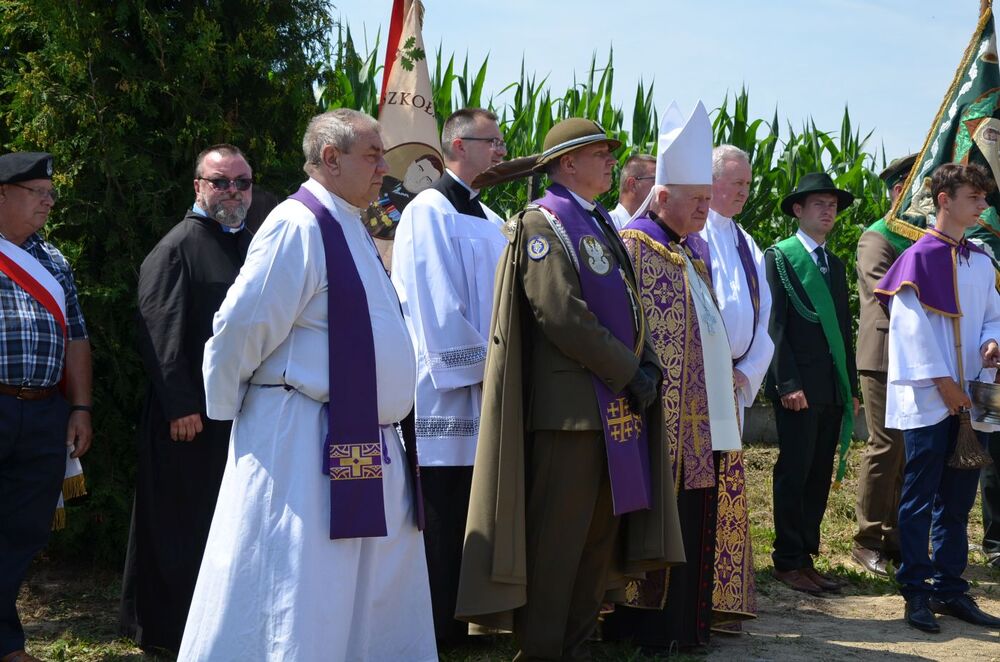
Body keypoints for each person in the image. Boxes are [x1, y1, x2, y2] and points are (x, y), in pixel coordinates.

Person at [177, 109, 437, 661]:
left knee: (364, 588)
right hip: (302, 442)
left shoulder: (352, 224)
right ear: (330, 158)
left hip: (365, 438)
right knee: (304, 584)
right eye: (372, 155)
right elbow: (241, 326)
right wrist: (235, 412)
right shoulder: (299, 224)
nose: (383, 169)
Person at [455, 118, 683, 661]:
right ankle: (540, 651)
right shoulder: (543, 222)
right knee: (557, 546)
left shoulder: (597, 220)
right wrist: (630, 371)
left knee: (595, 545)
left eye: (609, 153)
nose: (611, 161)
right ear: (567, 163)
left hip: (612, 413)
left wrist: (645, 363)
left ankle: (576, 648)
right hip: (570, 416)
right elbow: (560, 314)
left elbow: (631, 308)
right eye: (599, 153)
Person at [602, 101, 742, 650]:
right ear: (661, 196)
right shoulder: (632, 249)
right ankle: (641, 627)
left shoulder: (693, 254)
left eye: (709, 199)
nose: (706, 209)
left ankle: (686, 624)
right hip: (654, 417)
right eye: (697, 200)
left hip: (700, 419)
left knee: (692, 511)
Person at [119, 144, 258, 653]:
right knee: (178, 522)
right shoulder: (176, 247)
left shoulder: (250, 242)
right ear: (198, 185)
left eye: (242, 183)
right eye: (220, 182)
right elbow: (161, 332)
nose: (233, 192)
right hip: (186, 418)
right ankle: (166, 631)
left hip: (232, 414)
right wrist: (181, 405)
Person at [390, 107, 507, 645]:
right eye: (493, 142)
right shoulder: (427, 210)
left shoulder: (491, 216)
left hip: (488, 386)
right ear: (459, 145)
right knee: (441, 503)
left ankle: (470, 614)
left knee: (474, 503)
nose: (502, 152)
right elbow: (434, 303)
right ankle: (436, 627)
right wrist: (485, 368)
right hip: (445, 392)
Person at [875, 162, 1000, 633]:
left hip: (975, 394)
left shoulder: (982, 260)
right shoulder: (918, 259)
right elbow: (910, 332)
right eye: (975, 196)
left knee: (960, 494)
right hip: (932, 397)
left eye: (984, 197)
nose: (984, 204)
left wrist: (992, 340)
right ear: (944, 200)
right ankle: (916, 591)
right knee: (920, 493)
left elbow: (993, 314)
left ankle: (951, 587)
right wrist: (944, 384)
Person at [0, 152, 92, 662]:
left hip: (41, 413)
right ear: (3, 193)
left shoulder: (52, 260)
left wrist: (81, 407)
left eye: (50, 193)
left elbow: (76, 336)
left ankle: (5, 641)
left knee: (25, 530)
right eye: (38, 192)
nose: (49, 201)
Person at [764, 172, 859, 595]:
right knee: (795, 471)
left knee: (819, 474)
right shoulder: (780, 258)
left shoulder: (834, 265)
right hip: (797, 388)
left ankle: (806, 558)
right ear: (798, 210)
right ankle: (786, 559)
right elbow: (775, 327)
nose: (827, 211)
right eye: (818, 204)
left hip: (830, 387)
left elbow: (843, 330)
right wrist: (786, 383)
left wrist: (850, 387)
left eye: (833, 205)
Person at [698, 144, 773, 629]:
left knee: (727, 483)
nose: (746, 191)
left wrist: (747, 372)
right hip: (699, 383)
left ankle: (722, 591)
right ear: (710, 183)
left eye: (748, 183)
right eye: (737, 183)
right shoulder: (692, 232)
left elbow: (765, 320)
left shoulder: (749, 242)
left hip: (736, 383)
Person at [851, 154, 917, 576]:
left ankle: (895, 537)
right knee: (886, 446)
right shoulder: (878, 237)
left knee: (909, 452)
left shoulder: (917, 238)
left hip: (913, 359)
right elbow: (887, 292)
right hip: (883, 358)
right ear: (898, 192)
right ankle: (866, 539)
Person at [609, 153, 655, 231]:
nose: (661, 188)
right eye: (655, 181)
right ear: (632, 184)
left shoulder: (654, 229)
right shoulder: (607, 226)